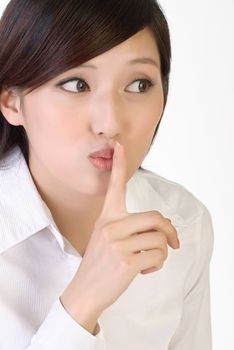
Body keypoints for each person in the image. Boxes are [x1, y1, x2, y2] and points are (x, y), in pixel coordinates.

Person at [0, 0, 214, 349]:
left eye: (139, 85)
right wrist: (82, 302)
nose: (110, 123)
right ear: (11, 100)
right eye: (75, 84)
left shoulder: (183, 223)